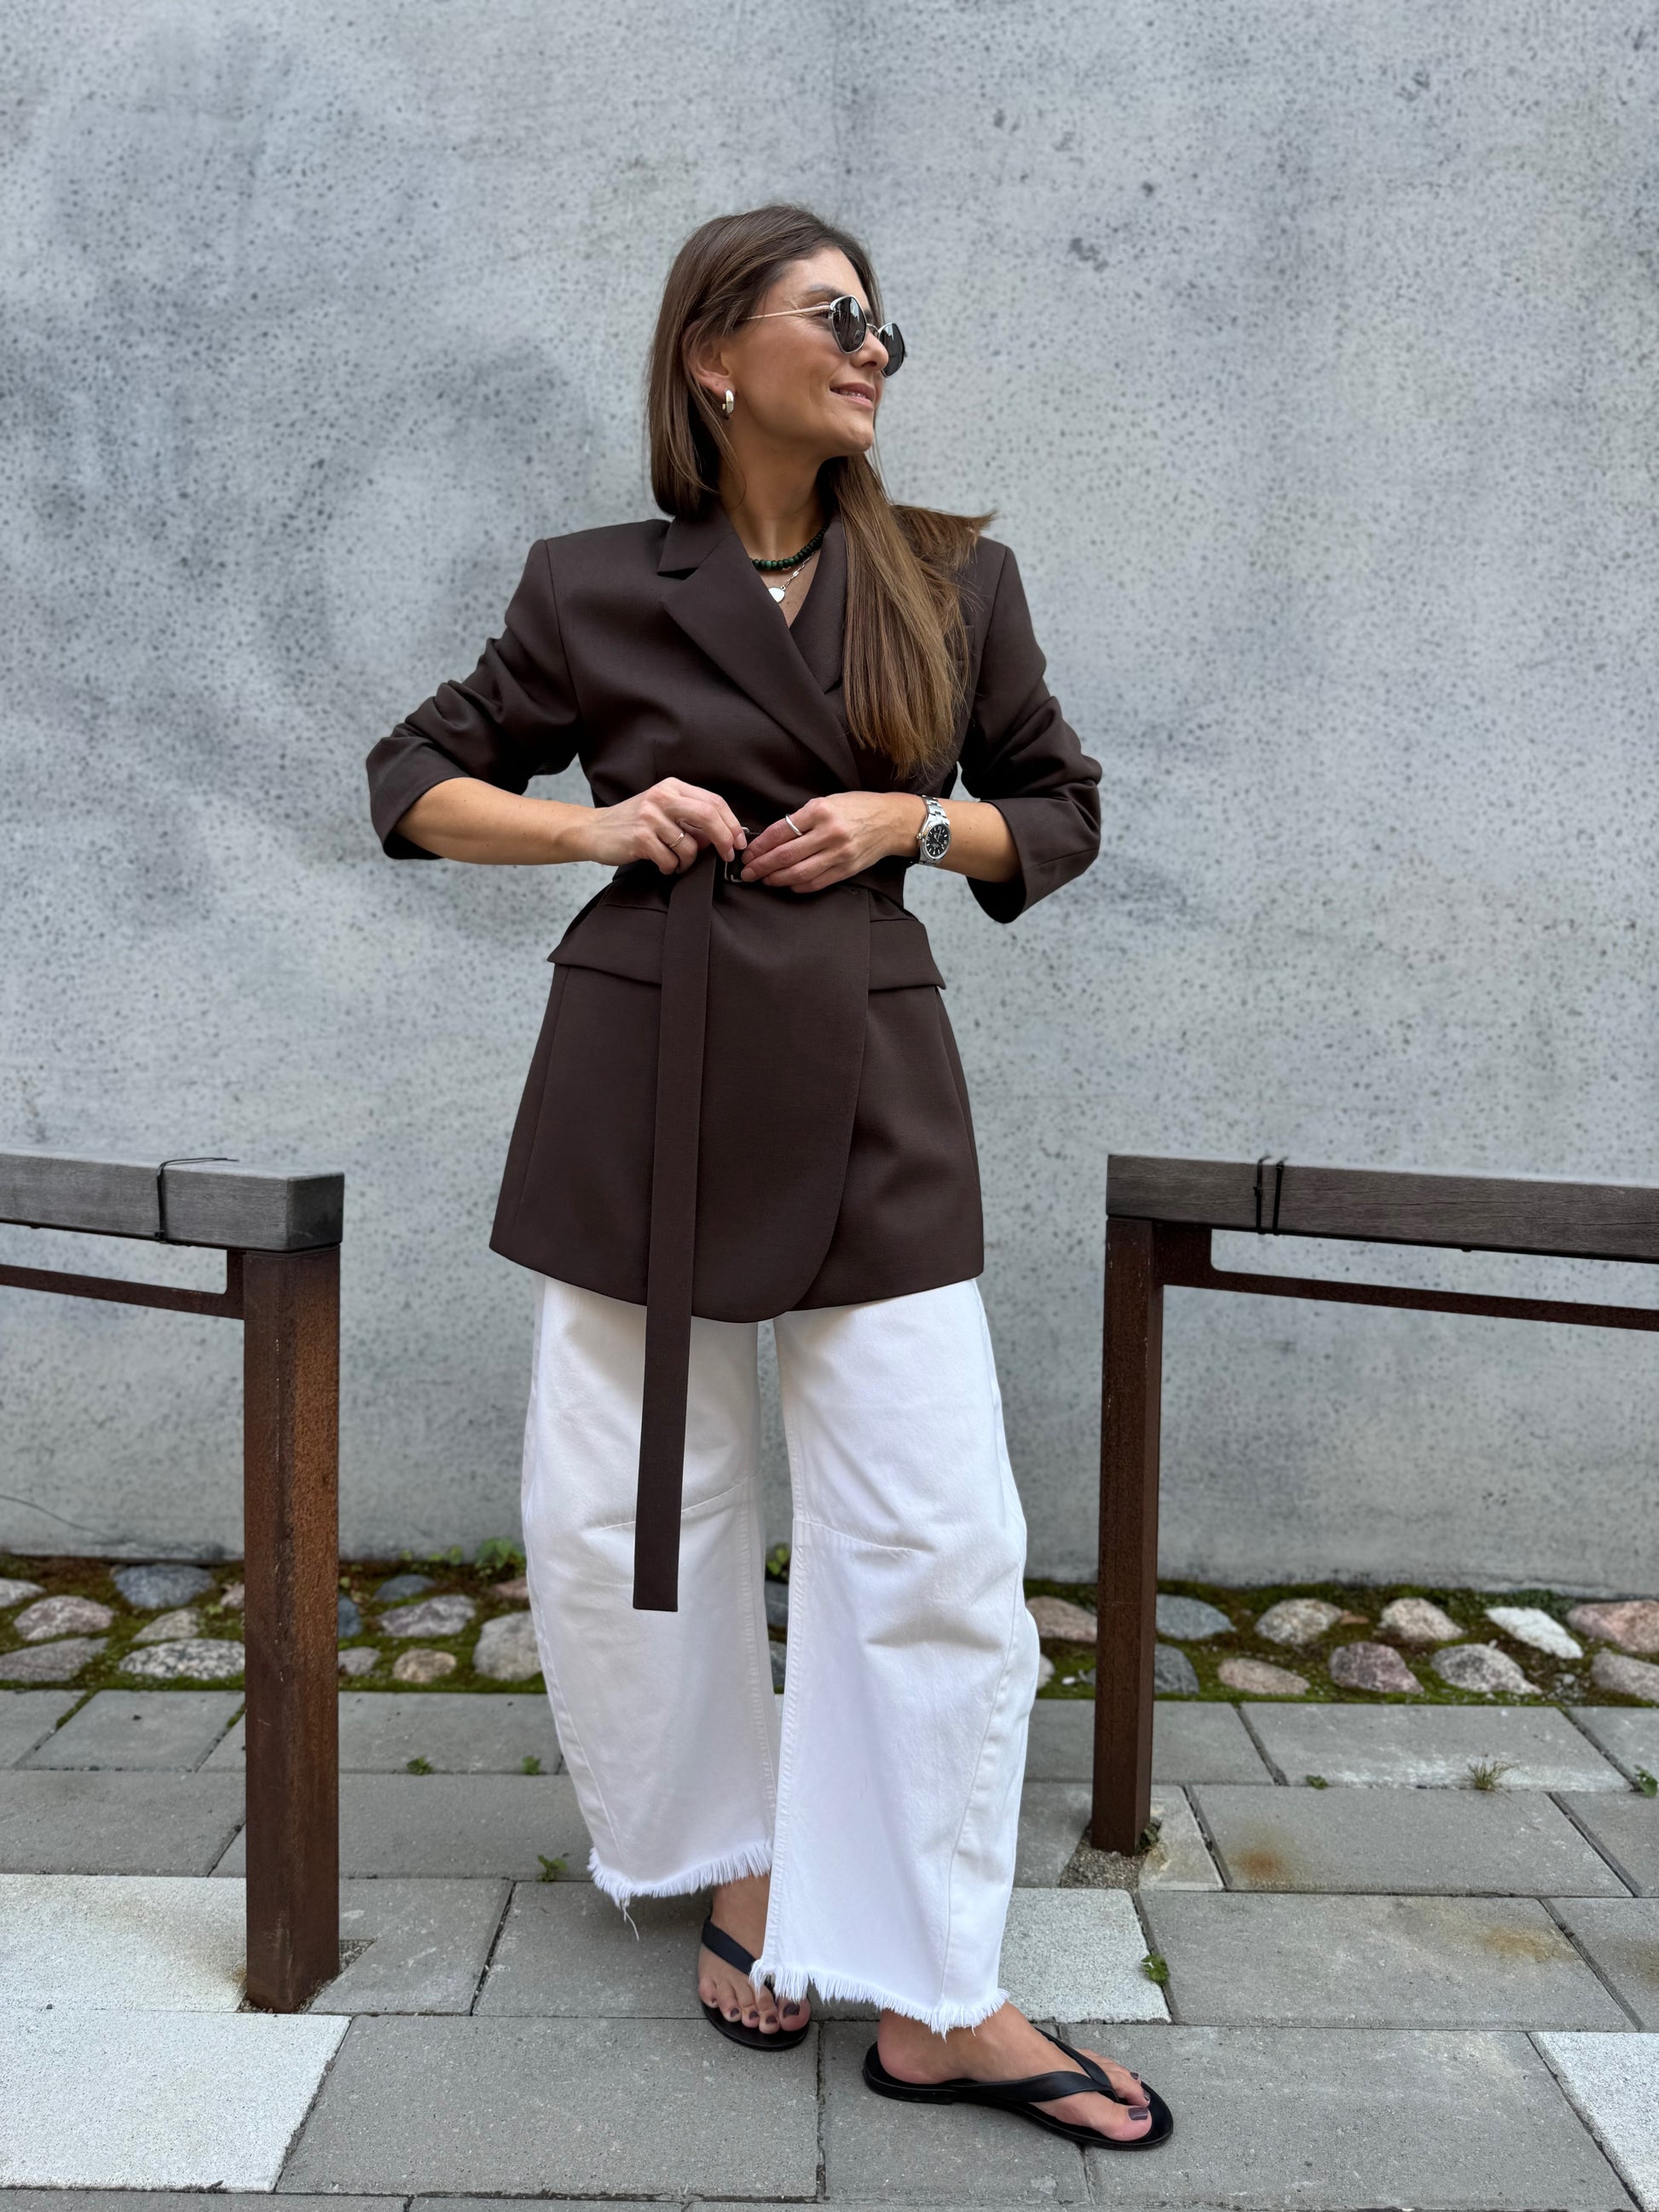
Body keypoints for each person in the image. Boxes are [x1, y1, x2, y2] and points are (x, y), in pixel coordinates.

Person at [366, 202, 1171, 2155]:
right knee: (632, 1507)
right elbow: (410, 778)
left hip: (871, 1086)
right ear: (714, 356)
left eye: (885, 321)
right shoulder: (589, 583)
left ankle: (938, 1989)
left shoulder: (953, 579)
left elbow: (1058, 810)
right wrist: (592, 830)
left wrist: (913, 817)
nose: (875, 345)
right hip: (641, 1080)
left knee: (939, 1538)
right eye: (835, 314)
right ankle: (737, 1851)